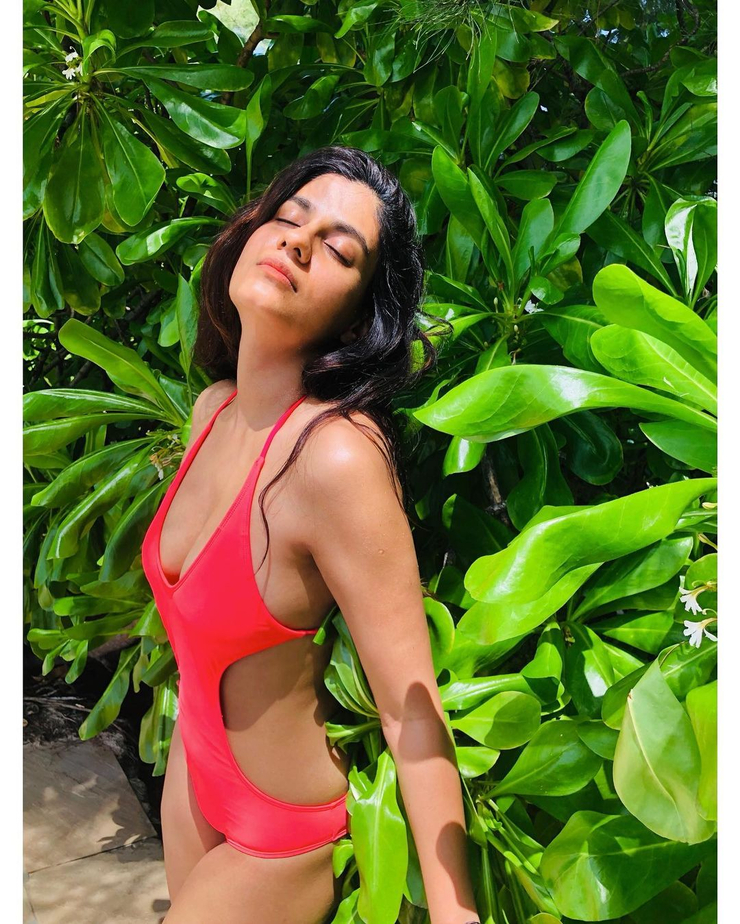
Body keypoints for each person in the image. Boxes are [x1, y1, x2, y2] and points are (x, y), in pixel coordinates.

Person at [141, 145, 481, 924]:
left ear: (357, 318)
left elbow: (409, 710)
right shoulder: (213, 411)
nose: (297, 241)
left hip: (277, 839)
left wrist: (455, 913)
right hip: (192, 783)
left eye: (338, 249)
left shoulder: (335, 458)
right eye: (289, 218)